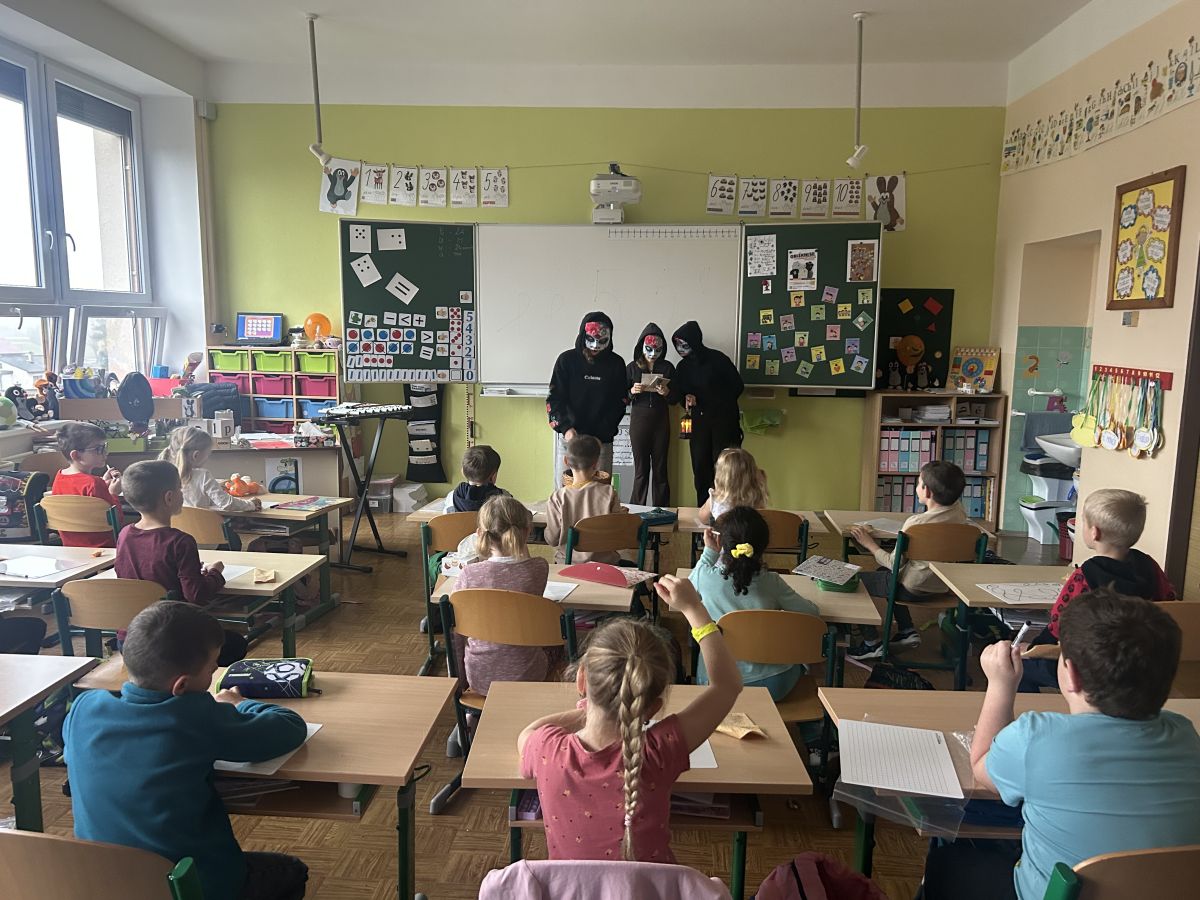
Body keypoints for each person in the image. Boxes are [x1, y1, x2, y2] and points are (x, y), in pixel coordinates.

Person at [921, 588, 1200, 900]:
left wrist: (1000, 685)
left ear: (1072, 675)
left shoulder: (1036, 737)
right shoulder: (1186, 735)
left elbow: (982, 766)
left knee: (946, 859)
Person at [63, 601, 311, 900]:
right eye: (212, 669)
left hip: (104, 883)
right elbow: (289, 728)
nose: (213, 675)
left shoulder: (83, 708)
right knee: (291, 871)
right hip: (187, 886)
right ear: (180, 686)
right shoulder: (193, 717)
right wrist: (239, 704)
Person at [517, 575, 742, 862]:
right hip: (651, 886)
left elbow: (529, 732)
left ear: (581, 679)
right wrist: (694, 609)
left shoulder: (547, 748)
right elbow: (727, 685)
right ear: (652, 709)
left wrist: (589, 709)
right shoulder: (659, 750)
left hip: (570, 886)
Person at [1020, 487, 1176, 692]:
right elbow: (1170, 603)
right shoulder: (1150, 566)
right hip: (1139, 664)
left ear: (1094, 532)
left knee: (1020, 666)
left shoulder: (1086, 574)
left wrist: (1035, 648)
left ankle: (1029, 711)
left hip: (1091, 668)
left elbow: (1061, 624)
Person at [114, 460, 245, 664]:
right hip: (170, 641)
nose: (182, 493)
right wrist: (215, 573)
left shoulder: (124, 534)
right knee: (236, 644)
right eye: (179, 489)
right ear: (169, 497)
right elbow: (196, 595)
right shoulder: (180, 541)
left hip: (130, 640)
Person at [847, 460, 974, 660]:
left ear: (927, 491)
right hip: (944, 586)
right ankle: (906, 630)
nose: (916, 487)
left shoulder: (915, 524)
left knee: (852, 581)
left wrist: (869, 544)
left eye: (918, 483)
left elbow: (893, 563)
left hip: (913, 588)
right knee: (883, 575)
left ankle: (872, 643)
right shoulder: (960, 514)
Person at [688, 507, 818, 700]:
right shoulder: (772, 582)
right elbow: (811, 613)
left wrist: (708, 553)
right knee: (804, 658)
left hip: (716, 684)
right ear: (764, 545)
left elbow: (685, 594)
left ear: (720, 542)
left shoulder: (704, 577)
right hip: (774, 684)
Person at [451, 495, 552, 696]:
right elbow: (523, 565)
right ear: (527, 532)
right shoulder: (539, 568)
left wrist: (460, 681)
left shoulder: (469, 575)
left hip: (479, 677)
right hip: (528, 674)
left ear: (479, 534)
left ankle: (473, 711)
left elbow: (457, 635)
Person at [546, 311, 628, 488]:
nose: (595, 346)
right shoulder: (566, 360)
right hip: (570, 439)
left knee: (600, 493)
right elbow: (554, 399)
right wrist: (566, 429)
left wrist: (602, 433)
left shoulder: (616, 364)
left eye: (602, 341)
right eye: (591, 340)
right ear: (583, 336)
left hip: (601, 442)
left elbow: (620, 402)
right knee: (565, 491)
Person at [670, 320, 743, 505]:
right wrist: (686, 399)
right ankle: (703, 511)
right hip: (698, 426)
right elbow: (679, 393)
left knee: (726, 470)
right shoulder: (682, 367)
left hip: (724, 423)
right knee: (701, 470)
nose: (681, 349)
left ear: (695, 341)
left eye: (685, 344)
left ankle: (727, 511)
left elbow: (737, 386)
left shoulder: (718, 360)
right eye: (677, 345)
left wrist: (711, 400)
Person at [544, 434, 624, 564]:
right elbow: (617, 534)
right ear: (596, 464)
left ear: (566, 461)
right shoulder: (609, 493)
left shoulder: (558, 497)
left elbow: (552, 539)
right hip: (604, 565)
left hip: (568, 565)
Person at [625, 324, 676, 507]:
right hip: (639, 420)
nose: (653, 354)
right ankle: (636, 509)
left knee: (660, 469)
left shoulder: (667, 367)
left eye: (657, 350)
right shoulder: (632, 367)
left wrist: (666, 392)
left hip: (661, 421)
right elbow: (621, 396)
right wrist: (632, 391)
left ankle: (662, 510)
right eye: (649, 349)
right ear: (642, 347)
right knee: (641, 470)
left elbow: (675, 399)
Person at [51, 421, 124, 547]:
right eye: (98, 449)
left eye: (105, 447)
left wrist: (103, 483)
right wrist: (113, 494)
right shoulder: (94, 483)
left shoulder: (59, 477)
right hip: (104, 549)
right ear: (76, 455)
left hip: (71, 550)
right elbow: (117, 520)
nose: (105, 452)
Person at [160, 424, 261, 512]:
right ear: (196, 456)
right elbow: (227, 504)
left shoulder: (165, 475)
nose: (208, 458)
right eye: (208, 454)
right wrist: (250, 504)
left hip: (175, 528)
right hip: (202, 528)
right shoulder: (203, 476)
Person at [698, 447, 769, 525]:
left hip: (725, 533)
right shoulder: (756, 497)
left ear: (721, 477)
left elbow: (703, 518)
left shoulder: (716, 499)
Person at [442, 444, 511, 513]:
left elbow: (446, 516)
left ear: (462, 472)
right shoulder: (505, 497)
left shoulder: (452, 496)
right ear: (493, 477)